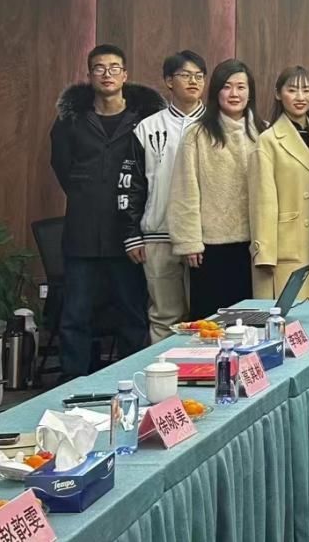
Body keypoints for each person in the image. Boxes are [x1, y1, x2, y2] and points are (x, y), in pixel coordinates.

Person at [50, 44, 163, 381]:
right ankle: (71, 383)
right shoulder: (71, 121)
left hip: (127, 233)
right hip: (82, 232)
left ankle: (130, 380)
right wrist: (87, 190)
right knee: (75, 315)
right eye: (99, 68)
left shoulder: (145, 120)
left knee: (132, 313)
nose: (107, 74)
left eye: (114, 68)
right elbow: (61, 165)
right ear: (89, 75)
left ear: (125, 75)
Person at [167, 59, 262, 319]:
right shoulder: (198, 134)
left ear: (250, 92)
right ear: (216, 91)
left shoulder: (264, 132)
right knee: (212, 322)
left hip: (255, 245)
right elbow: (184, 191)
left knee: (252, 321)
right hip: (210, 246)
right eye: (227, 87)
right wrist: (189, 241)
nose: (234, 94)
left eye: (241, 87)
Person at [129, 50, 206, 341]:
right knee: (164, 317)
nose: (193, 81)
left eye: (199, 76)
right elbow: (133, 186)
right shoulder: (147, 127)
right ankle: (162, 370)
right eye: (185, 75)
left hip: (205, 237)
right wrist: (132, 235)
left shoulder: (215, 123)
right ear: (169, 81)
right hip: (158, 235)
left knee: (206, 318)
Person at [249, 66, 309, 300]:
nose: (300, 97)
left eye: (306, 90)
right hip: (285, 245)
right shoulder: (268, 140)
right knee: (288, 313)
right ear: (278, 94)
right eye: (292, 90)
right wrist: (264, 252)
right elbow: (262, 202)